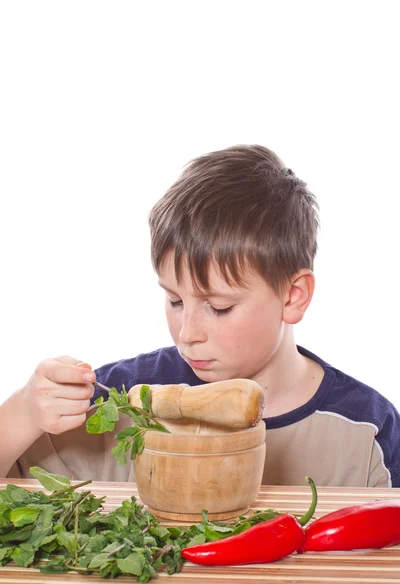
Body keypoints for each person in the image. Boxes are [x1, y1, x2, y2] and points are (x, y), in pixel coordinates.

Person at [2, 144, 400, 487]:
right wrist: (24, 411)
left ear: (293, 297)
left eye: (219, 307)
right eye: (175, 301)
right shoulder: (122, 400)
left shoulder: (366, 428)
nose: (187, 334)